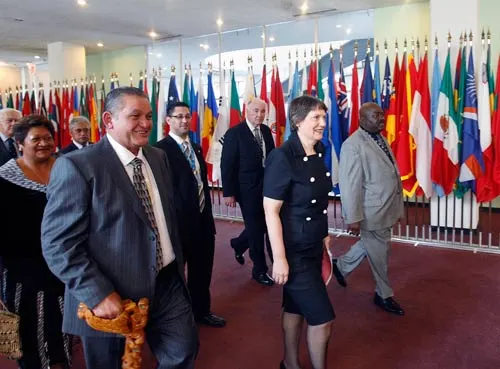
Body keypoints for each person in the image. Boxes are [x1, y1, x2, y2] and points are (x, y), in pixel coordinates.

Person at [41, 87, 198, 369]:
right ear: (108, 120)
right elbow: (58, 243)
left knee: (183, 351)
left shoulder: (157, 157)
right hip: (111, 293)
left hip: (166, 282)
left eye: (149, 116)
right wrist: (97, 293)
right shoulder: (77, 166)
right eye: (135, 115)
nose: (146, 123)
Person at [263, 96, 334, 369]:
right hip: (293, 248)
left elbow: (318, 203)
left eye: (323, 118)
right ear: (297, 121)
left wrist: (324, 235)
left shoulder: (320, 150)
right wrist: (279, 258)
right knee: (322, 318)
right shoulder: (282, 157)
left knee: (294, 306)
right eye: (316, 118)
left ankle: (289, 363)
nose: (323, 124)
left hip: (312, 242)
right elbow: (271, 210)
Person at [0, 115, 71, 369]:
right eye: (36, 139)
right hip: (23, 274)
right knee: (30, 342)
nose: (44, 143)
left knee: (61, 339)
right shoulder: (4, 178)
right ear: (19, 143)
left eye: (48, 138)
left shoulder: (68, 168)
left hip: (66, 269)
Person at [154, 101, 226, 328]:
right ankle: (177, 318)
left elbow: (201, 184)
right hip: (178, 226)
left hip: (203, 223)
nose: (185, 121)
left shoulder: (195, 147)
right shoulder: (159, 151)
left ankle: (201, 311)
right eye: (179, 117)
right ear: (168, 121)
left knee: (202, 271)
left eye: (187, 116)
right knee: (175, 276)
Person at [335, 102, 405, 316]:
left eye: (382, 115)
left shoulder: (378, 137)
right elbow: (350, 184)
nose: (382, 119)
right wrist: (353, 217)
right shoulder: (352, 145)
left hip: (385, 206)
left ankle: (341, 266)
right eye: (376, 116)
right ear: (362, 119)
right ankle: (383, 294)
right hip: (371, 211)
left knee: (373, 244)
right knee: (380, 253)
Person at [221, 97, 275, 286]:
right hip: (246, 190)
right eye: (255, 111)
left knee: (264, 226)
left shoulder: (267, 131)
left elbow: (272, 160)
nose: (259, 115)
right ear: (246, 111)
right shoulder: (234, 133)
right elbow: (227, 165)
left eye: (262, 111)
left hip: (267, 188)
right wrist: (228, 192)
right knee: (256, 230)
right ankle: (259, 271)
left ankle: (239, 243)